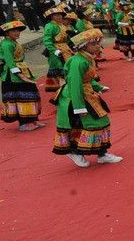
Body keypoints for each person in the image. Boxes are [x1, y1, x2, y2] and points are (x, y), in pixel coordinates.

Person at [52, 29, 123, 167]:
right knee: (85, 124)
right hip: (75, 97)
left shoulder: (86, 58)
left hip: (87, 93)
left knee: (101, 121)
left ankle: (102, 153)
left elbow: (87, 79)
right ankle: (74, 152)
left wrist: (98, 87)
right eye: (94, 44)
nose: (98, 46)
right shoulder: (78, 61)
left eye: (98, 43)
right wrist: (79, 107)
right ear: (84, 46)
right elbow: (75, 83)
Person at [0, 20, 45, 131]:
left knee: (30, 93)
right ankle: (23, 123)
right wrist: (20, 75)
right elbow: (10, 62)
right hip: (12, 75)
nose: (17, 32)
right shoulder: (6, 44)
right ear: (7, 33)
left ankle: (33, 119)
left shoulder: (13, 42)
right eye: (14, 31)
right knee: (20, 97)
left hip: (22, 69)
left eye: (18, 30)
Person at [42, 7, 73, 92]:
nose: (59, 17)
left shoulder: (62, 25)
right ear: (51, 17)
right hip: (56, 51)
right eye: (56, 15)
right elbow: (47, 40)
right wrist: (54, 50)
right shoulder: (50, 26)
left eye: (60, 15)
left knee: (68, 67)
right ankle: (62, 90)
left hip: (65, 49)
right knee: (59, 70)